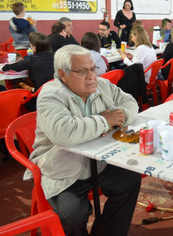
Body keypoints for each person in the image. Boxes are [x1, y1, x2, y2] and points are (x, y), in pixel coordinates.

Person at [23, 45, 141, 236]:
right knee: (72, 214)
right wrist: (104, 121)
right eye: (82, 71)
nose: (91, 76)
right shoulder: (51, 94)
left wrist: (117, 118)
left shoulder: (102, 85)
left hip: (100, 161)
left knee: (130, 179)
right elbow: (63, 132)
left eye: (93, 69)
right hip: (63, 167)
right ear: (63, 74)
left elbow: (129, 102)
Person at [1, 32, 54, 112]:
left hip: (39, 99)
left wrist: (2, 67)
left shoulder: (32, 60)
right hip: (56, 95)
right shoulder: (55, 57)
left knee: (17, 84)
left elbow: (13, 67)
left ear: (34, 48)